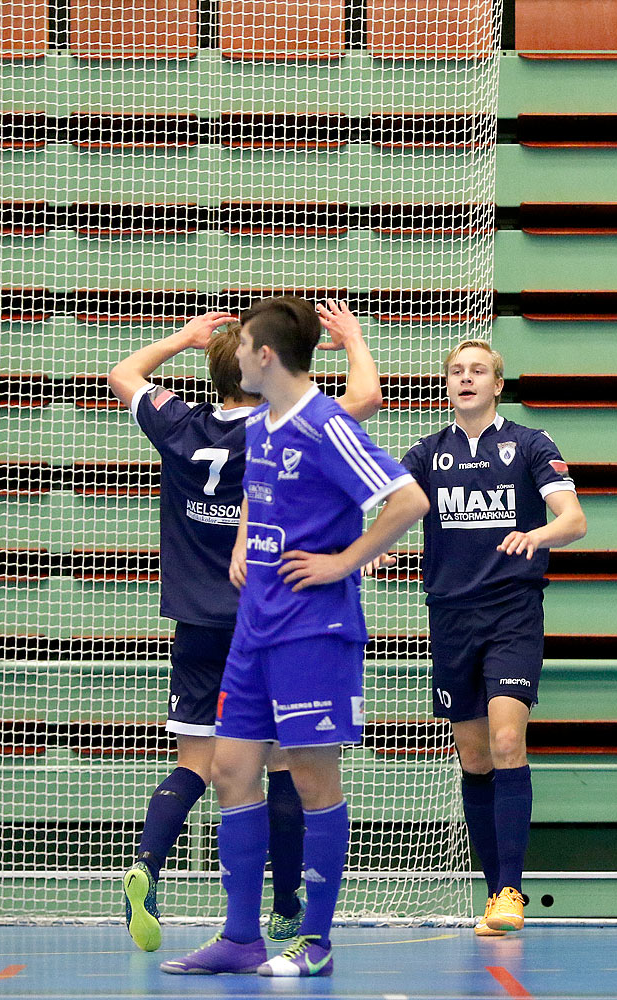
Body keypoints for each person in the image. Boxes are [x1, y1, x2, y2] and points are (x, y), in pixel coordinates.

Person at [159, 295, 428, 978]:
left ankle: (316, 941)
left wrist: (345, 560)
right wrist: (245, 539)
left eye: (242, 344)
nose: (234, 355)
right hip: (254, 626)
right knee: (229, 771)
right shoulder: (265, 425)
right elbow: (259, 490)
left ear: (266, 355)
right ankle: (241, 937)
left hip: (314, 628)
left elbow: (407, 500)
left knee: (310, 778)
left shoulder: (325, 424)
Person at [105, 302, 383, 954]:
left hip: (231, 619)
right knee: (261, 767)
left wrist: (185, 337)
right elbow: (363, 399)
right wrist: (354, 341)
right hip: (261, 617)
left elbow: (122, 373)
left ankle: (161, 864)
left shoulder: (202, 423)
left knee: (230, 767)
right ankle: (269, 917)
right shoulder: (269, 424)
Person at [399, 340, 587, 937]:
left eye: (478, 370)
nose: (466, 378)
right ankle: (491, 896)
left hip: (511, 611)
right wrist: (372, 553)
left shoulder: (531, 445)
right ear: (446, 385)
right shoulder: (427, 453)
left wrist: (539, 534)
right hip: (450, 617)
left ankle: (512, 892)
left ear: (498, 384)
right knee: (474, 757)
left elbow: (574, 520)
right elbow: (392, 514)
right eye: (456, 371)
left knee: (508, 741)